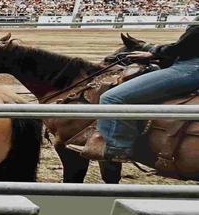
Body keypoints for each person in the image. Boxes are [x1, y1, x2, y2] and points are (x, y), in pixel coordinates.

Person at [69, 23, 199, 161]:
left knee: (111, 98)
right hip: (190, 64)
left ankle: (116, 148)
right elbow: (191, 46)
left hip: (191, 68)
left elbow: (184, 46)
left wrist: (154, 50)